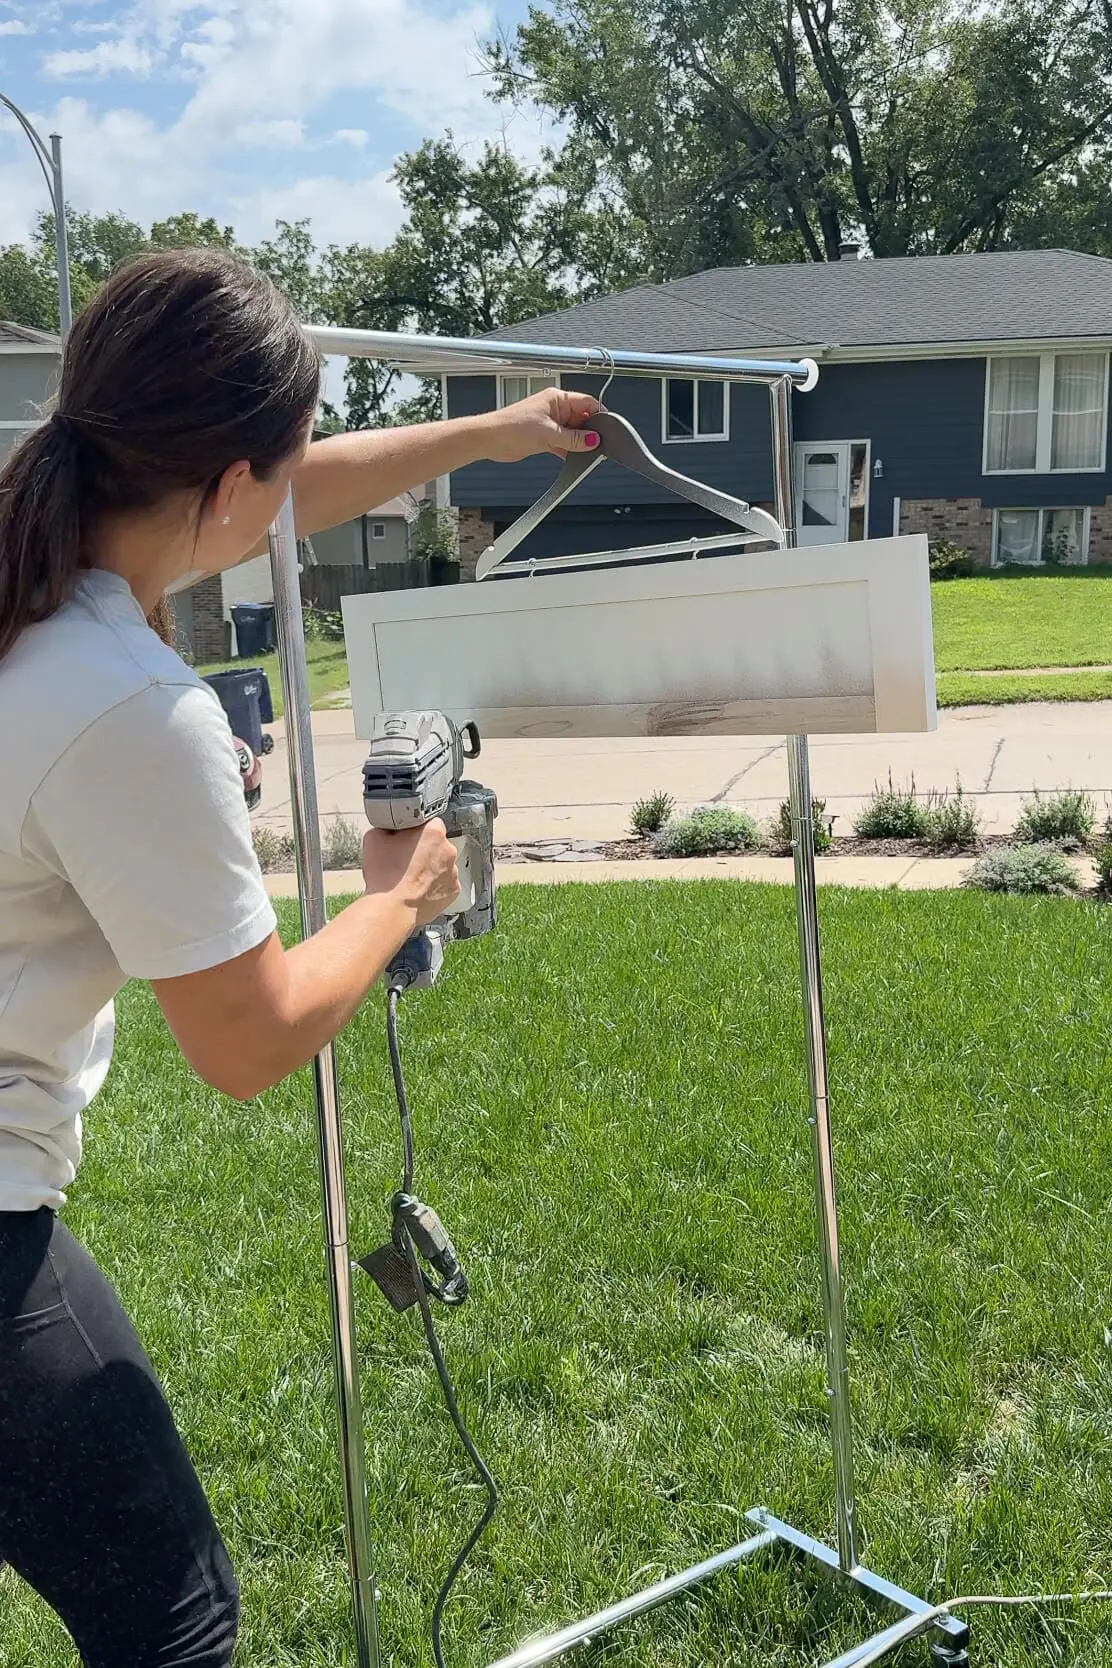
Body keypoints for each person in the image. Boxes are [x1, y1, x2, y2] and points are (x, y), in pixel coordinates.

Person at [0, 248, 600, 1668]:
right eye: (281, 467)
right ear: (224, 488)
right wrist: (407, 893)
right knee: (175, 1623)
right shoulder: (130, 707)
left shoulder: (37, 568)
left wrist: (502, 430)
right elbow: (249, 1042)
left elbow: (287, 491)